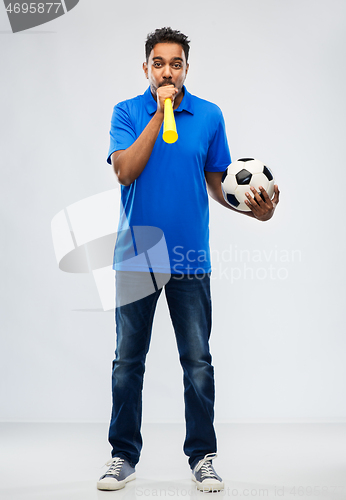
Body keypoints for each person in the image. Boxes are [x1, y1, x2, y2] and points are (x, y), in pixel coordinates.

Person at [97, 27, 280, 493]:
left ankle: (202, 456)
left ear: (186, 69)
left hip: (189, 257)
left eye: (175, 64)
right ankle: (123, 457)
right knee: (127, 363)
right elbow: (125, 170)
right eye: (158, 63)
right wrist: (159, 113)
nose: (167, 71)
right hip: (136, 257)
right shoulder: (127, 112)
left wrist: (253, 210)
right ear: (146, 69)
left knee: (197, 361)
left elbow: (218, 181)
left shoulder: (210, 116)